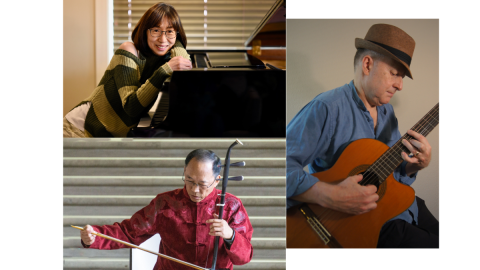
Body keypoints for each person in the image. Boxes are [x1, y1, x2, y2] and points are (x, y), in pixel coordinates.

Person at [286, 23, 439, 248]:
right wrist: (330, 195)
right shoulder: (326, 108)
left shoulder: (387, 111)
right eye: (395, 74)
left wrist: (415, 165)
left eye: (402, 77)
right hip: (364, 226)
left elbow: (390, 174)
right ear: (368, 64)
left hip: (400, 207)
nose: (400, 85)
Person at [80, 149, 253, 269]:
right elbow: (129, 232)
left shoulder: (231, 206)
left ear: (217, 180)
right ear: (184, 171)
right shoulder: (166, 202)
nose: (194, 190)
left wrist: (230, 235)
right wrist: (95, 236)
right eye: (189, 180)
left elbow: (244, 257)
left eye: (202, 184)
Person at [63, 2, 192, 137]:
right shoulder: (128, 50)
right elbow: (131, 108)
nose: (163, 39)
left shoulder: (164, 55)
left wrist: (175, 41)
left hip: (104, 133)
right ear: (145, 31)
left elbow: (184, 65)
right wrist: (164, 70)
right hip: (79, 128)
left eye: (170, 31)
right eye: (156, 30)